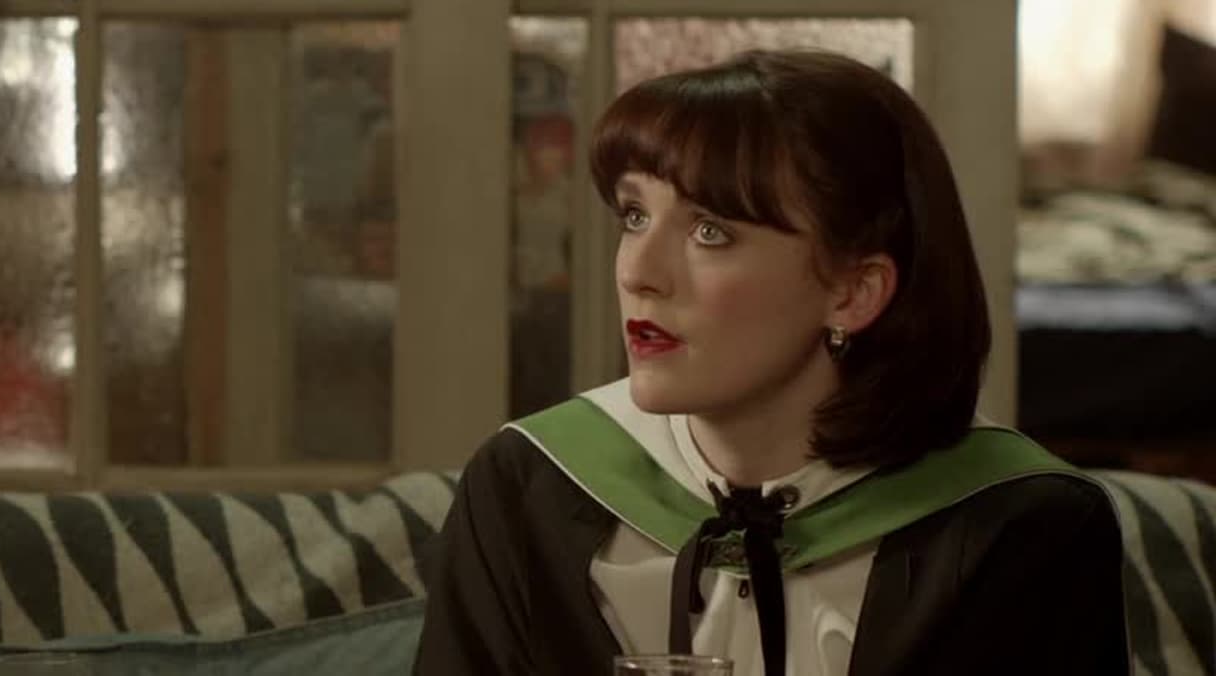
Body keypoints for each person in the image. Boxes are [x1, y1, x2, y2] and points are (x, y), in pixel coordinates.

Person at [415, 50, 1128, 676]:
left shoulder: (1018, 526)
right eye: (634, 215)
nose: (638, 272)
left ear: (853, 291)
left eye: (709, 230)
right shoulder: (527, 485)